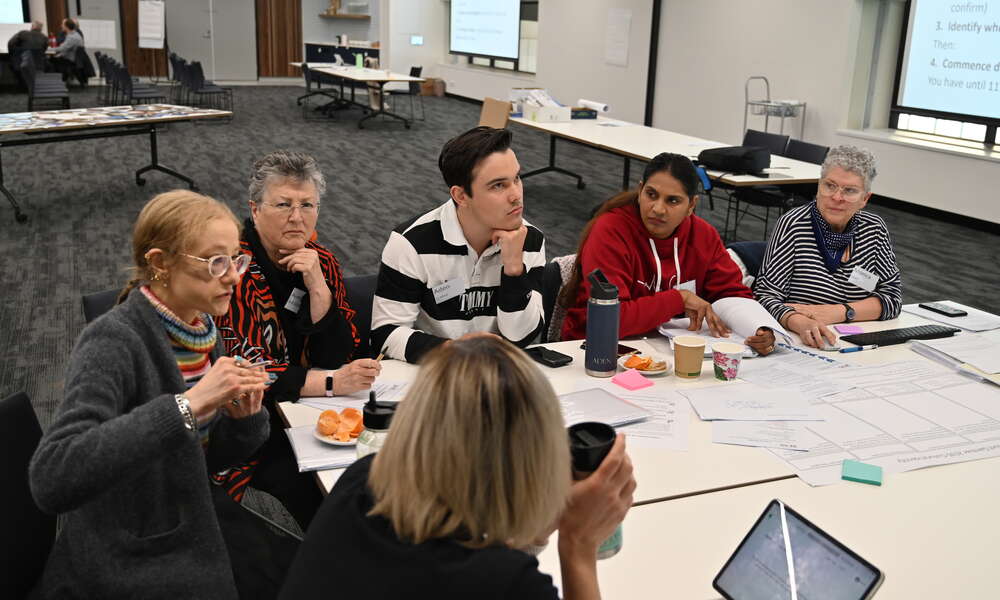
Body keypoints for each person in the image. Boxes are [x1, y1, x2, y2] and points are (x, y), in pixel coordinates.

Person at [29, 190, 274, 598]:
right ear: (160, 263)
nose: (234, 275)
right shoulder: (113, 341)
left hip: (185, 515)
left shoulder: (200, 329)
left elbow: (197, 458)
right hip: (131, 546)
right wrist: (189, 405)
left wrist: (243, 419)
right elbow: (52, 477)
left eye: (237, 258)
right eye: (216, 262)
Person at [279, 336, 636, 599]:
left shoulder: (364, 478)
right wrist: (578, 545)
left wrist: (543, 521)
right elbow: (492, 565)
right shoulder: (502, 583)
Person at [215, 150, 380, 530]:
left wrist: (319, 290)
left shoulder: (321, 259)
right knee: (331, 505)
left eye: (307, 205)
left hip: (313, 409)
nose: (297, 216)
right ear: (255, 210)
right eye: (283, 204)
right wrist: (330, 382)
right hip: (252, 421)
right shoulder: (233, 267)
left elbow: (344, 351)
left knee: (384, 468)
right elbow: (245, 368)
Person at [559, 152, 777, 355]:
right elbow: (611, 318)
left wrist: (758, 327)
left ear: (692, 204)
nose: (658, 209)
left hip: (668, 352)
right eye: (651, 195)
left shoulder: (703, 235)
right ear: (641, 189)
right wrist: (679, 299)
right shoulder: (610, 231)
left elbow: (732, 294)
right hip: (598, 351)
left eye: (673, 200)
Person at [370, 126, 546, 363]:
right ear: (461, 196)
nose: (516, 194)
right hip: (435, 372)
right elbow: (386, 334)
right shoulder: (411, 242)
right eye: (498, 185)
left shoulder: (529, 239)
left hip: (499, 374)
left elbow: (521, 337)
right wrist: (455, 351)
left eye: (516, 178)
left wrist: (514, 270)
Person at [754, 145, 902, 349]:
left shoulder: (874, 229)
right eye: (830, 185)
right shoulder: (794, 225)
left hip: (857, 340)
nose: (837, 197)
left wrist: (839, 312)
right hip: (803, 340)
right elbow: (764, 296)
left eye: (849, 190)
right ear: (818, 186)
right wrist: (799, 321)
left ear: (864, 199)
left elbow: (893, 298)